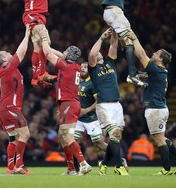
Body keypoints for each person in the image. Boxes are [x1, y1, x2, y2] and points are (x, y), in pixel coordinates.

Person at [127, 29, 176, 175]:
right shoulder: (158, 72)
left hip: (155, 109)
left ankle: (166, 169)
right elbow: (142, 73)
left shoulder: (156, 69)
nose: (153, 54)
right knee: (160, 137)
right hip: (158, 108)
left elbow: (141, 55)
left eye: (156, 53)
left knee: (159, 139)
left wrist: (134, 37)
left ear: (160, 59)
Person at [37, 28, 92, 176]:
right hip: (67, 103)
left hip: (69, 104)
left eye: (66, 51)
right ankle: (71, 169)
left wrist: (43, 38)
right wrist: (54, 78)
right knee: (62, 137)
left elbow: (48, 54)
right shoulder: (74, 67)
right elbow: (61, 56)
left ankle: (83, 164)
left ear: (69, 55)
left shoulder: (65, 66)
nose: (63, 52)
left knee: (67, 136)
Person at [101, 0, 146, 87]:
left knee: (122, 41)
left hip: (111, 12)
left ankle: (133, 72)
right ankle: (132, 74)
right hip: (114, 11)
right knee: (130, 39)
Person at [11, 0, 58, 88]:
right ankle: (42, 73)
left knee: (38, 45)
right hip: (32, 16)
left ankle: (36, 78)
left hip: (41, 16)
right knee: (46, 40)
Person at [88, 28, 129, 175]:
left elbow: (113, 46)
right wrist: (101, 37)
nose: (98, 52)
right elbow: (92, 54)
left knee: (116, 138)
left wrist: (115, 32)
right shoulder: (92, 68)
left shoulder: (110, 62)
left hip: (117, 104)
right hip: (104, 104)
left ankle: (104, 163)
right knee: (114, 134)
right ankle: (118, 166)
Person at [74, 61, 128, 172]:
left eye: (85, 67)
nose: (82, 68)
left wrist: (87, 110)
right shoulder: (79, 83)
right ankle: (74, 168)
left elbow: (98, 100)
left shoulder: (92, 84)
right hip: (78, 119)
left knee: (99, 144)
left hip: (92, 119)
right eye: (81, 67)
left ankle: (119, 159)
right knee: (70, 140)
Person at [0, 24, 32, 175]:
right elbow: (21, 53)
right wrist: (27, 34)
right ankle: (19, 165)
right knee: (25, 134)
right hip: (10, 108)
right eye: (6, 52)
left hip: (4, 108)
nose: (10, 53)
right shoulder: (7, 68)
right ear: (3, 59)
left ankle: (10, 168)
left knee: (13, 137)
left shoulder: (6, 71)